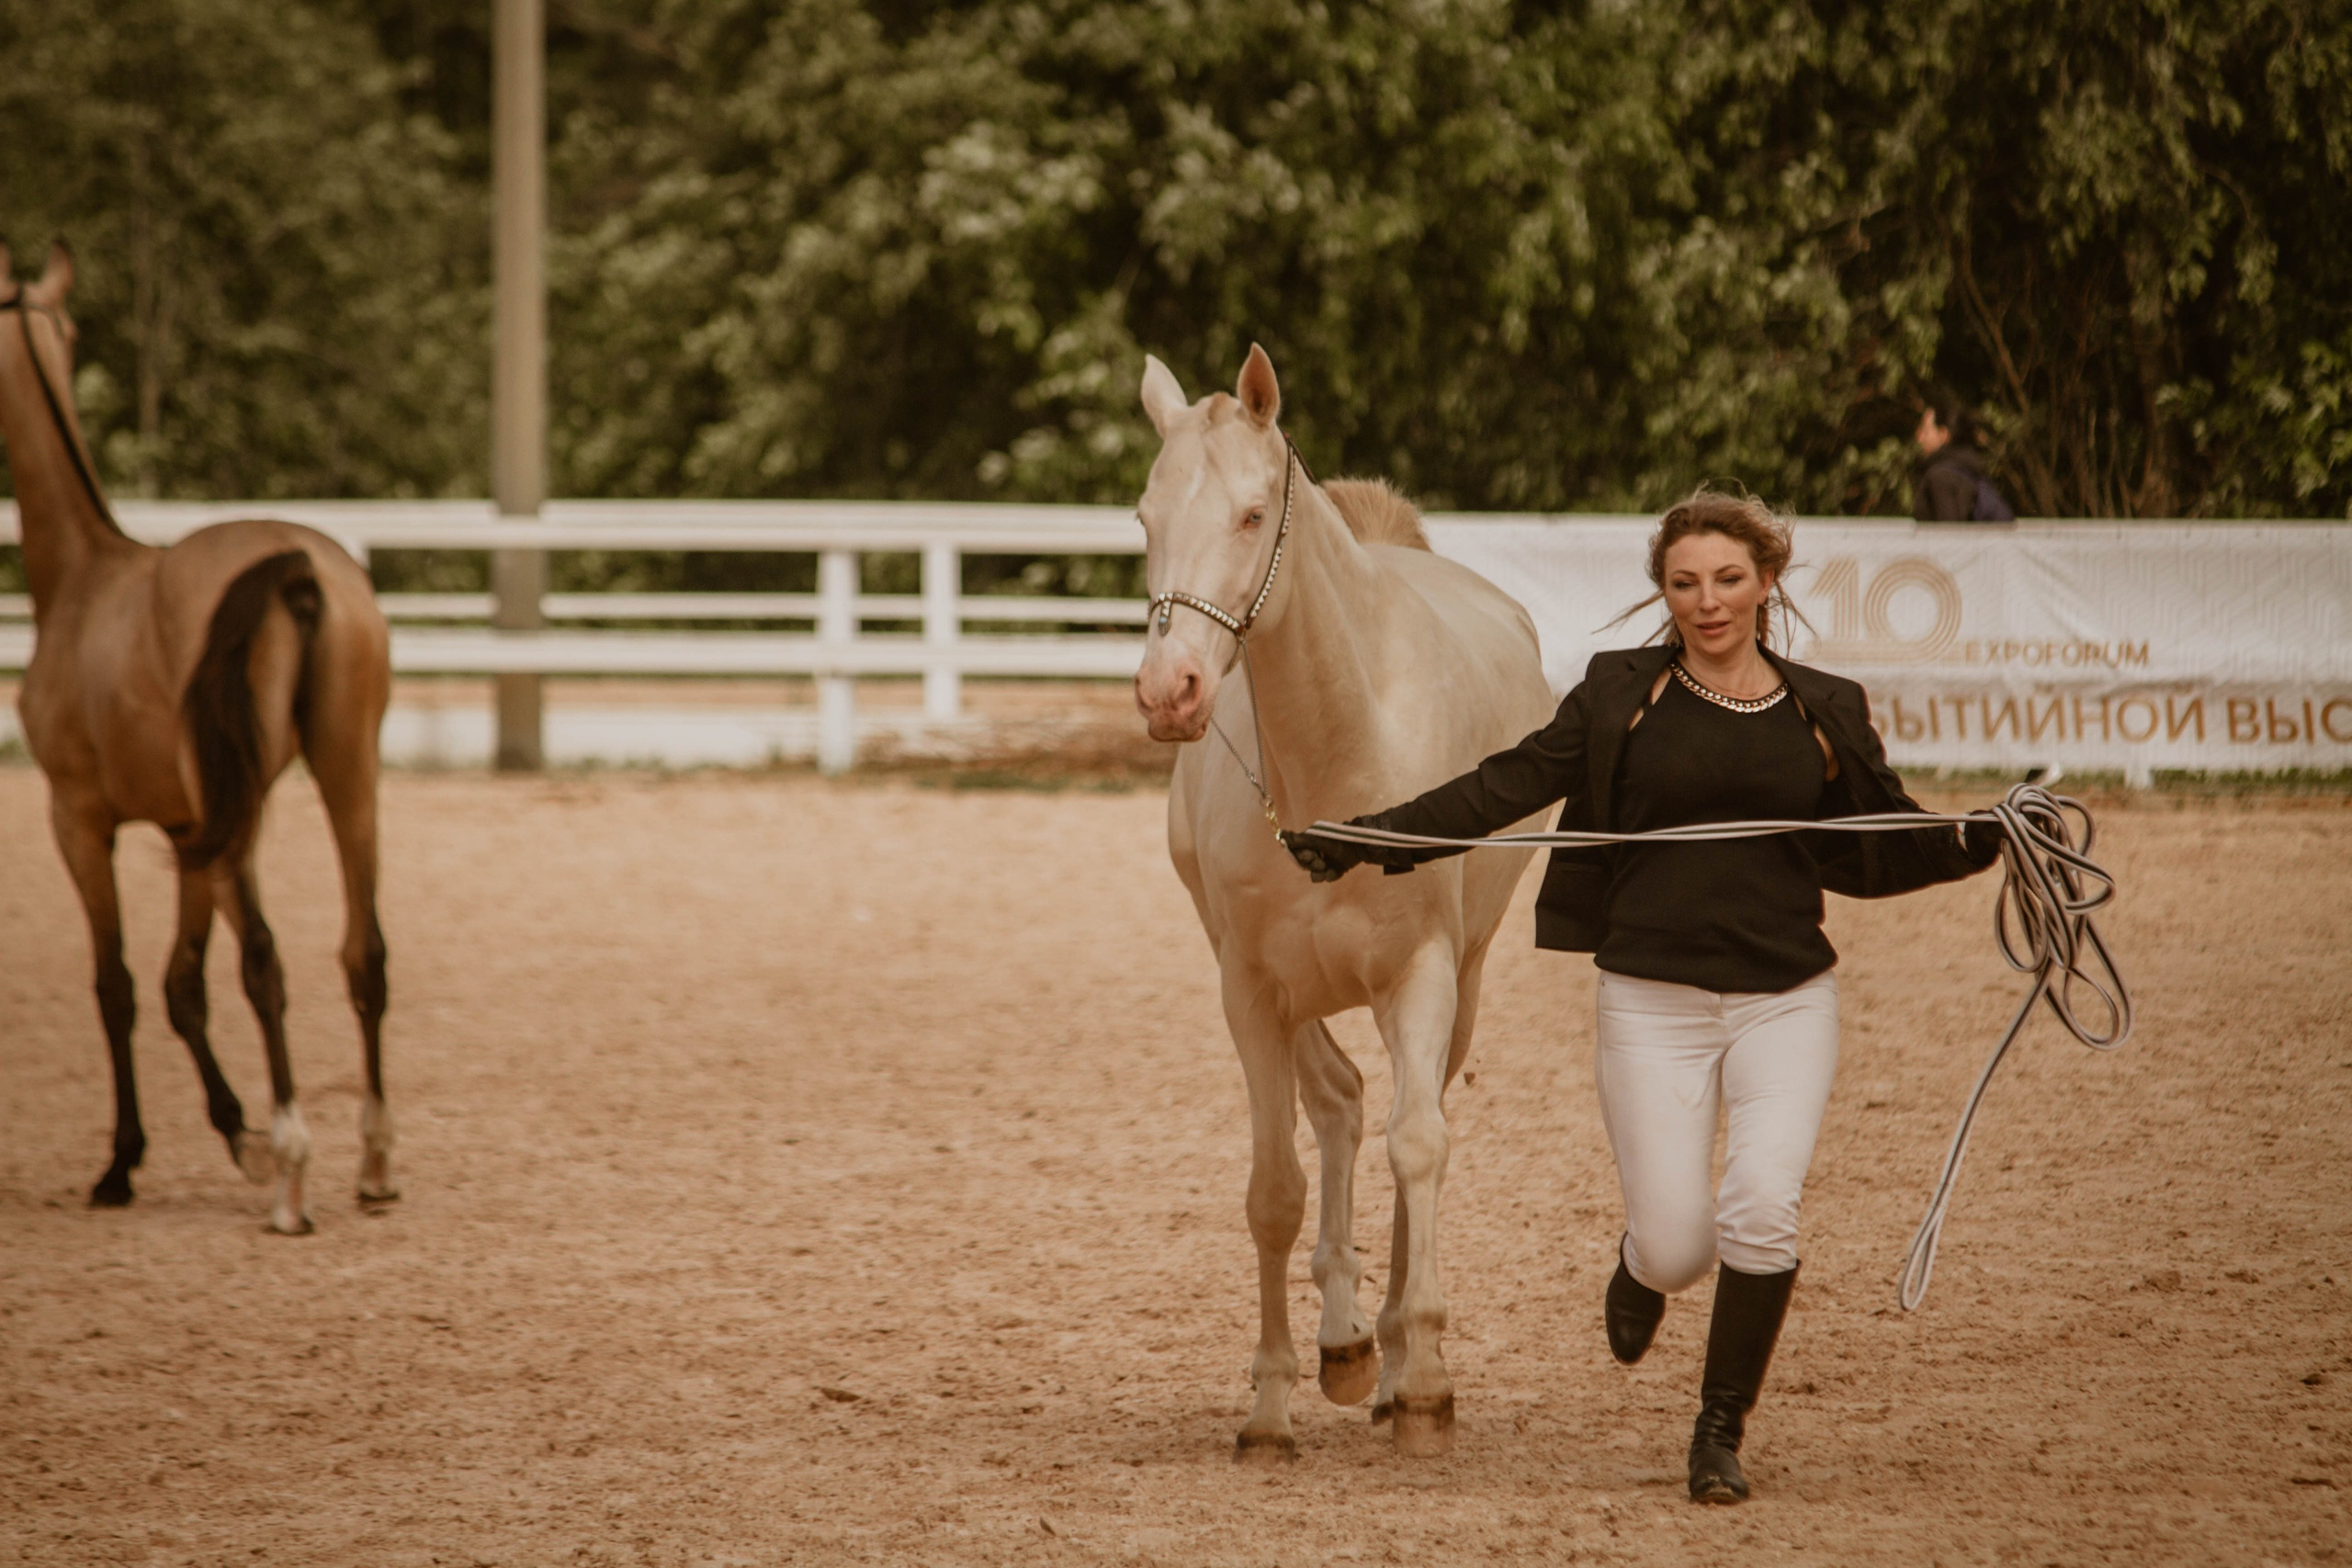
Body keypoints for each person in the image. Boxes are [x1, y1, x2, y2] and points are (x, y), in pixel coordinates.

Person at [1282, 491, 2002, 1505]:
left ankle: (1717, 1431)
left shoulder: (1824, 707)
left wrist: (1976, 839)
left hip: (1785, 1000)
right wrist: (1372, 837)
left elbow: (1873, 847)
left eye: (1727, 580)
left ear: (1765, 582)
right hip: (1650, 1002)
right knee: (1676, 1243)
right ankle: (1640, 1263)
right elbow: (1502, 786)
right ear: (1662, 592)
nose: (1707, 603)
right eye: (1684, 583)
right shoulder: (1620, 696)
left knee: (1761, 1212)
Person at [1914, 399, 2013, 522]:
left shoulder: (1941, 477)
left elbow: (1951, 535)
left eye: (1926, 430)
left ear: (1943, 434)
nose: (1919, 437)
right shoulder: (1969, 469)